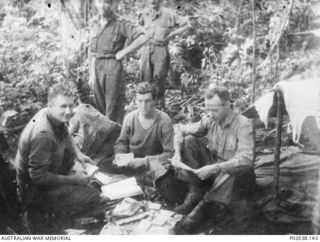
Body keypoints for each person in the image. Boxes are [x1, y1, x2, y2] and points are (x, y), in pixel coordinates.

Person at [15, 83, 109, 230]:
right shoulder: (43, 134)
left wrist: (79, 154)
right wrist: (74, 180)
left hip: (44, 176)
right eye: (63, 106)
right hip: (34, 191)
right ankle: (61, 223)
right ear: (50, 105)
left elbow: (64, 130)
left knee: (93, 184)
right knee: (94, 196)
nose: (68, 111)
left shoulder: (50, 114)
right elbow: (38, 177)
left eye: (71, 106)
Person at [170, 86, 254, 234]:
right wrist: (177, 152)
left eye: (214, 110)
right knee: (189, 141)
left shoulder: (243, 124)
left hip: (238, 177)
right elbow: (180, 129)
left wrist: (216, 168)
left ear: (227, 105)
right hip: (216, 168)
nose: (210, 114)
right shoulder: (209, 120)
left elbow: (246, 159)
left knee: (229, 171)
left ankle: (204, 204)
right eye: (207, 110)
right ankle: (196, 192)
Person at [114, 82, 187, 200]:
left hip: (153, 164)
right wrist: (121, 155)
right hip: (132, 162)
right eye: (140, 101)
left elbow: (169, 154)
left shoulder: (164, 121)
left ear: (154, 101)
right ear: (135, 101)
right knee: (103, 165)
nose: (143, 105)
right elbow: (122, 141)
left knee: (168, 187)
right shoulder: (130, 118)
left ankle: (146, 187)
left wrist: (144, 161)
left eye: (147, 101)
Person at [89, 0, 146, 124]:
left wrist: (124, 52)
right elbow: (91, 50)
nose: (103, 6)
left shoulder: (121, 23)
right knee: (100, 106)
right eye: (99, 2)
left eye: (107, 2)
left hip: (112, 66)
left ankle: (115, 139)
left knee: (113, 107)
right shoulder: (93, 22)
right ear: (95, 3)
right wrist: (91, 73)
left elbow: (142, 37)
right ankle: (104, 138)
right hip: (96, 65)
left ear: (113, 5)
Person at [138, 0, 191, 108]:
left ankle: (159, 108)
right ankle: (145, 108)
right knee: (145, 79)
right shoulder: (144, 14)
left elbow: (187, 24)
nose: (152, 1)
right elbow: (137, 29)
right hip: (146, 49)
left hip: (160, 50)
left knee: (159, 79)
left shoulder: (168, 14)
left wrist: (172, 34)